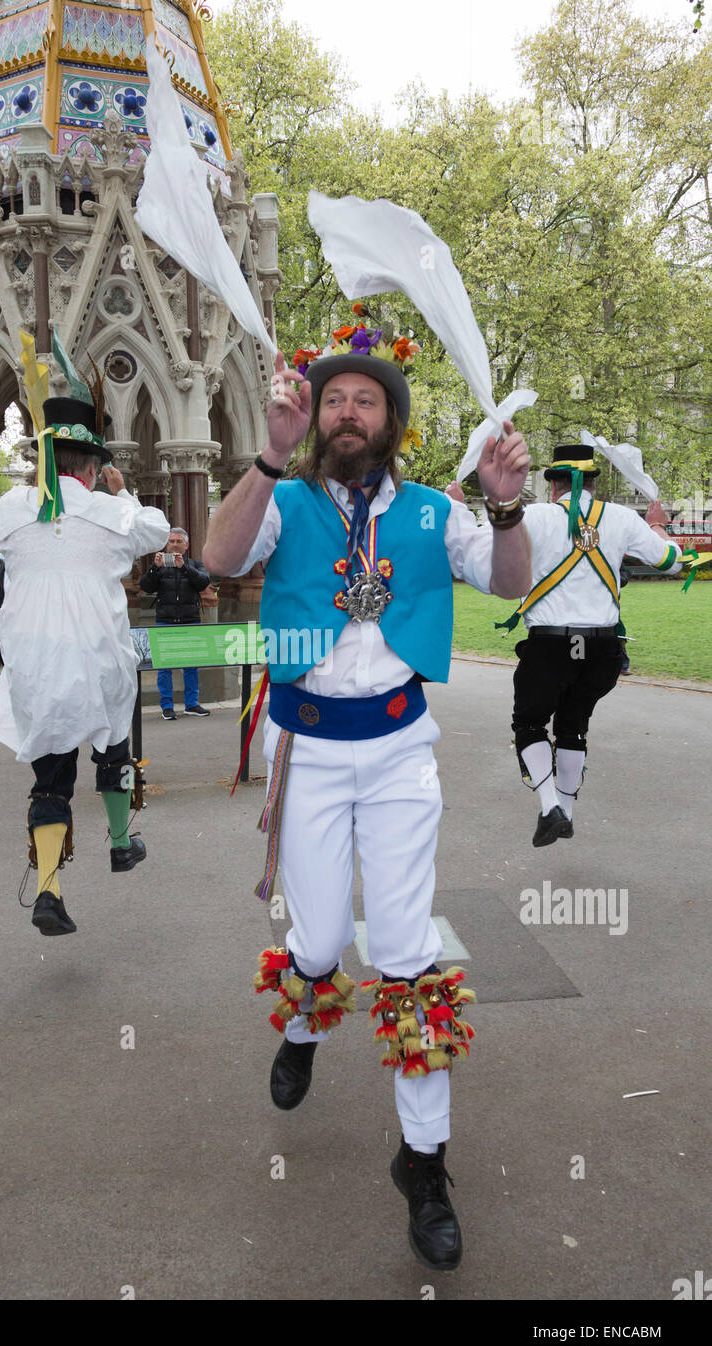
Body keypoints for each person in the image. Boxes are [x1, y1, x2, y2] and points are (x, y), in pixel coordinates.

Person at [203, 346, 532, 1271]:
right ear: (314, 418)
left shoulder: (436, 512)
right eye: (333, 400)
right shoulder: (288, 497)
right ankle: (304, 1022)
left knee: (403, 951)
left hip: (396, 753)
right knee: (314, 943)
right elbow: (219, 556)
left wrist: (505, 504)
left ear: (391, 422)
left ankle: (424, 1164)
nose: (348, 412)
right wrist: (268, 457)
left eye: (366, 402)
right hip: (304, 749)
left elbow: (509, 581)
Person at [0, 392, 170, 935]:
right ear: (92, 468)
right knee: (111, 744)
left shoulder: (14, 509)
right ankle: (117, 844)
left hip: (34, 661)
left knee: (50, 776)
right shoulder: (111, 511)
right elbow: (156, 530)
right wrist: (122, 491)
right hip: (97, 655)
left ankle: (47, 890)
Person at [498, 444, 682, 846]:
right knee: (573, 726)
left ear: (553, 487)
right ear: (593, 483)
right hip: (602, 650)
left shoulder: (536, 516)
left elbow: (489, 551)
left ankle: (551, 808)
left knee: (530, 724)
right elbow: (671, 561)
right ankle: (567, 810)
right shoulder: (622, 518)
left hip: (550, 646)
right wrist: (656, 526)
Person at [139, 527, 212, 719]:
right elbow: (145, 586)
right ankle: (167, 706)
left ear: (186, 546)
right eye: (171, 541)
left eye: (179, 541)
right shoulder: (160, 566)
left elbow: (204, 582)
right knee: (164, 666)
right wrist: (155, 567)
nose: (174, 544)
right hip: (165, 621)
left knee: (191, 665)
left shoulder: (195, 564)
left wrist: (184, 568)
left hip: (190, 621)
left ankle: (191, 704)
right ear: (166, 544)